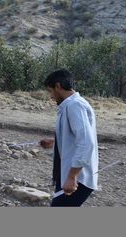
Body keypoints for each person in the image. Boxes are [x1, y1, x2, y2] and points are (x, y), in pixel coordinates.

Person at [39, 69, 99, 207]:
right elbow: (78, 137)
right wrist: (55, 142)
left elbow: (86, 142)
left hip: (78, 179)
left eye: (50, 91)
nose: (51, 96)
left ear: (58, 86)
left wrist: (72, 177)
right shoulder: (69, 105)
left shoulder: (74, 105)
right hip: (69, 175)